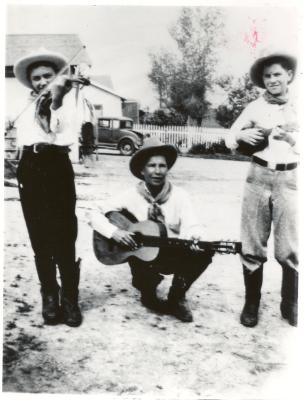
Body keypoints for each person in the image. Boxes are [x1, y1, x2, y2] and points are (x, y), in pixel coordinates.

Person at [90, 137, 213, 322]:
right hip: (143, 257)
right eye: (151, 165)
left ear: (168, 168)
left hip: (171, 252)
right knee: (144, 274)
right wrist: (115, 233)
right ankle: (147, 291)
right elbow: (94, 212)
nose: (157, 171)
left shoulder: (180, 195)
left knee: (204, 252)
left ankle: (176, 297)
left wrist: (196, 237)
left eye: (162, 166)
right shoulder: (130, 195)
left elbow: (192, 224)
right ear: (142, 170)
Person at [225, 51, 299, 327]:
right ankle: (251, 303)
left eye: (277, 74)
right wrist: (240, 135)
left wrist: (293, 140)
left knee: (288, 246)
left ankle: (290, 303)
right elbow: (229, 137)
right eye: (267, 76)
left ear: (289, 75)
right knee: (253, 242)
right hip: (257, 174)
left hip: (290, 178)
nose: (272, 80)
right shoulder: (255, 107)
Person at [13, 48, 83, 327]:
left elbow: (61, 133)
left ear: (57, 77)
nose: (42, 82)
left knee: (65, 232)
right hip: (30, 167)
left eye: (48, 76)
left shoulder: (66, 102)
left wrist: (56, 98)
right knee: (39, 233)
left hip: (56, 166)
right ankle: (49, 294)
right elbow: (21, 138)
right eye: (37, 78)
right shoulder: (24, 105)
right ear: (30, 82)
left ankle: (70, 297)